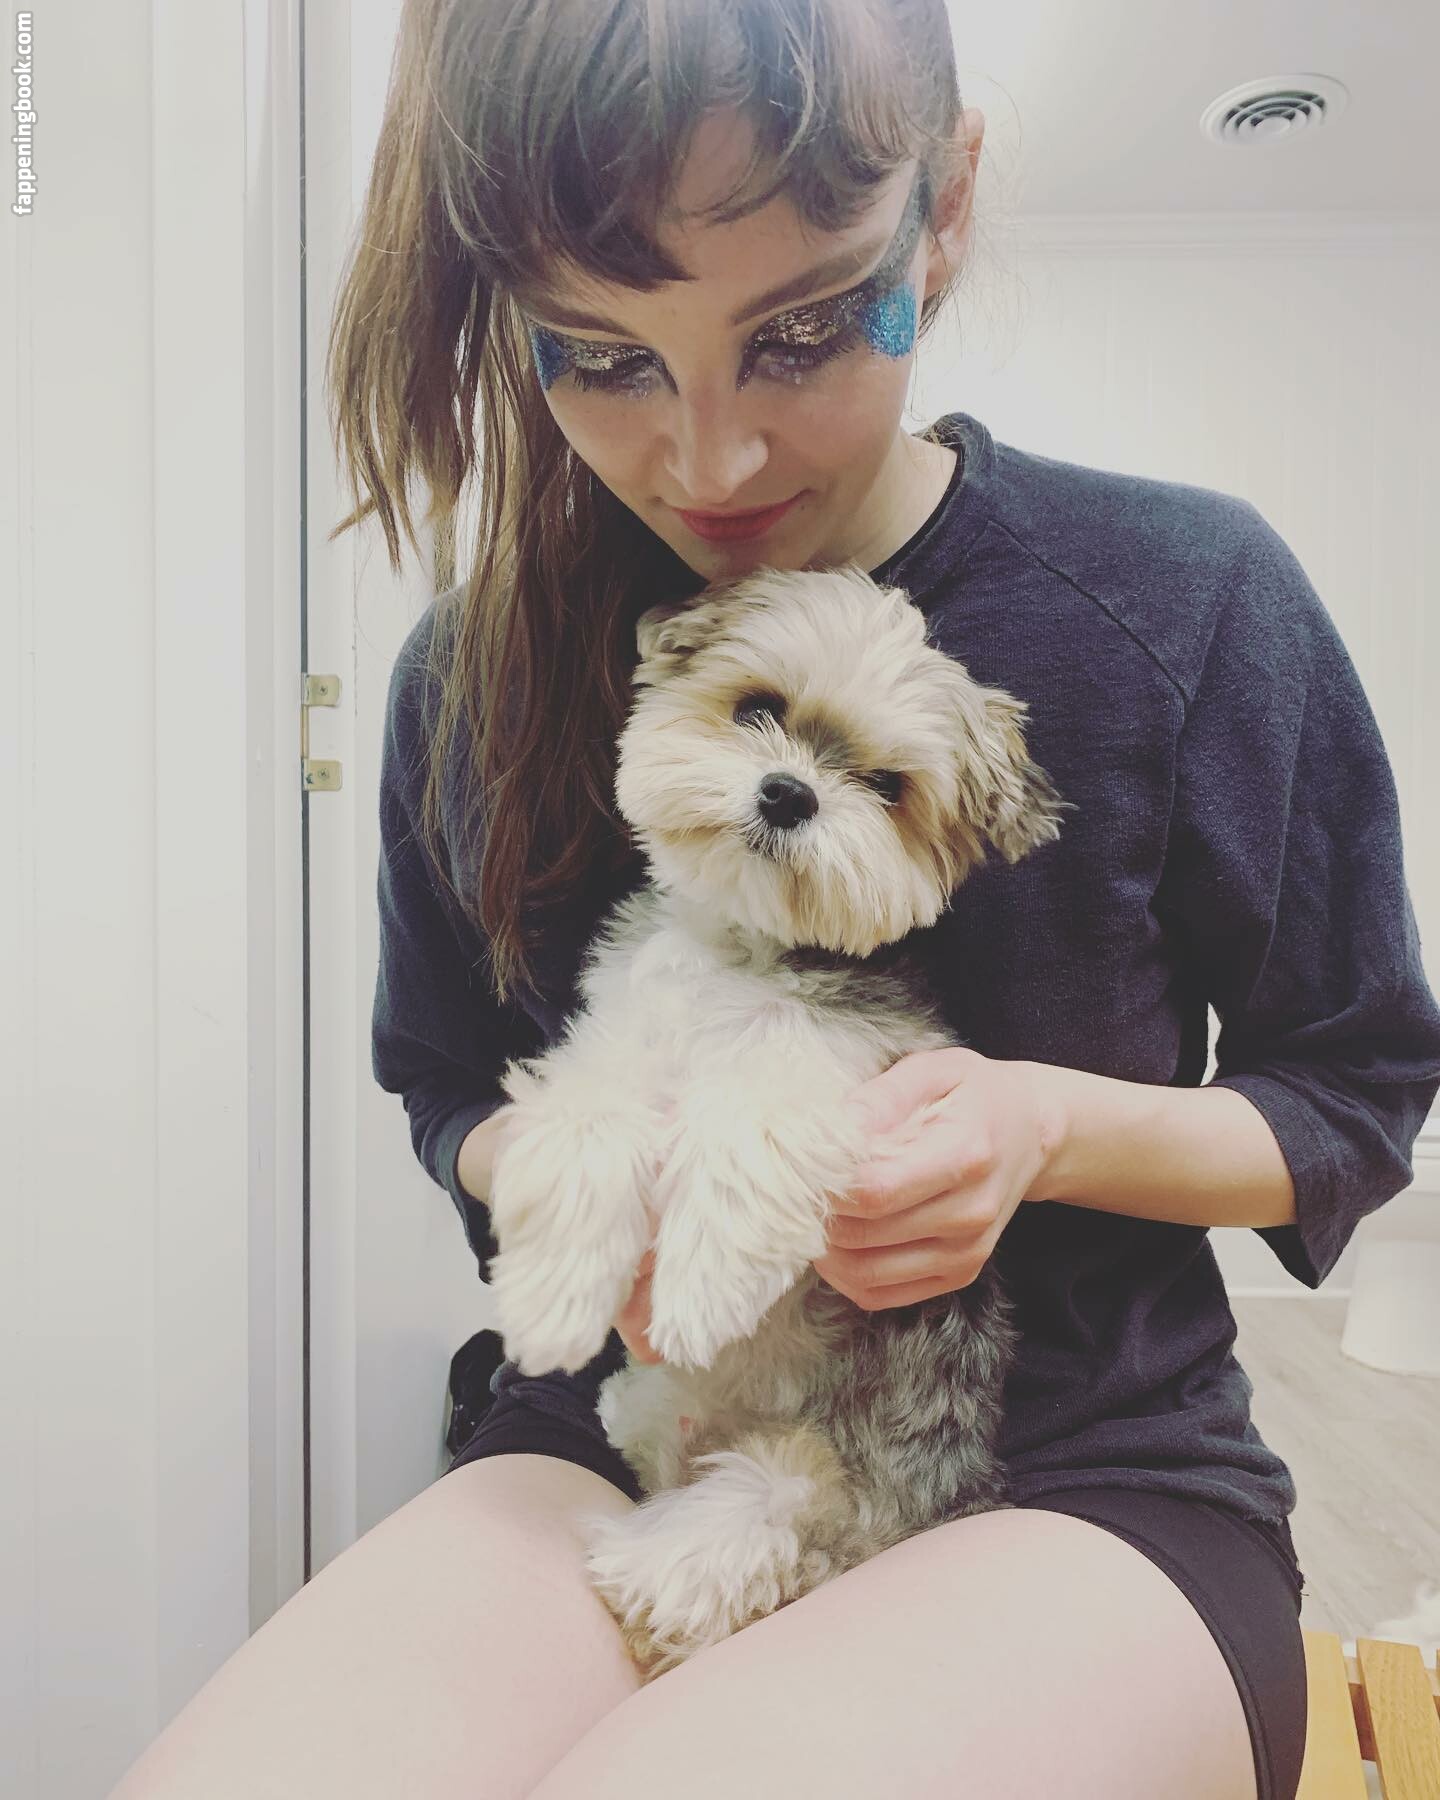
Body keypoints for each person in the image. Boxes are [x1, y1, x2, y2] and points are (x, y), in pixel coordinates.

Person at [111, 2, 1440, 1798]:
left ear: (943, 208)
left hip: (1078, 1468)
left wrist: (1040, 1130)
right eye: (601, 355)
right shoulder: (470, 679)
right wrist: (594, 1179)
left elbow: (1352, 1096)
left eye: (802, 330)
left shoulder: (1186, 600)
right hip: (619, 1427)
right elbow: (444, 1089)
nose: (711, 462)